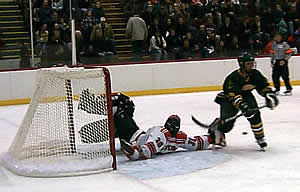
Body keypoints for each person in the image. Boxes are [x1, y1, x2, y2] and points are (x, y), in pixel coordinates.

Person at [77, 90, 216, 161]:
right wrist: (212, 137)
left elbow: (150, 148)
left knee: (123, 103)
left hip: (132, 134)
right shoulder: (179, 138)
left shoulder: (162, 133)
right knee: (120, 113)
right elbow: (195, 143)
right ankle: (92, 132)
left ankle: (89, 105)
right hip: (132, 135)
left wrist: (135, 152)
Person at [212, 52, 279, 149]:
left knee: (255, 114)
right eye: (248, 64)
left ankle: (260, 137)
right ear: (241, 64)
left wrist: (269, 95)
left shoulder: (255, 74)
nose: (251, 66)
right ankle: (219, 128)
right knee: (227, 125)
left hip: (246, 95)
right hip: (228, 99)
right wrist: (242, 105)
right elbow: (232, 95)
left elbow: (263, 86)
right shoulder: (233, 77)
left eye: (252, 63)